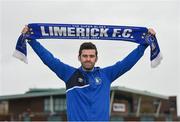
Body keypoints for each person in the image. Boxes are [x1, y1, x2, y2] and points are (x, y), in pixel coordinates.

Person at [22, 26, 156, 121]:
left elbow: (126, 63)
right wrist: (32, 40)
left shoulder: (106, 75)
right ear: (79, 57)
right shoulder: (69, 74)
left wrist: (144, 44)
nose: (88, 59)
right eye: (85, 55)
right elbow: (49, 59)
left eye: (91, 56)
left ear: (96, 58)